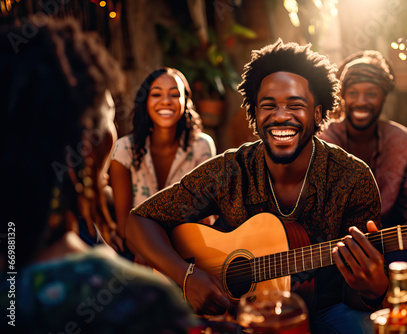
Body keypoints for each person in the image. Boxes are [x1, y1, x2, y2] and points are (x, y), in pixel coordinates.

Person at [125, 39, 388, 334]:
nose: (280, 116)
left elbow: (354, 292)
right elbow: (139, 219)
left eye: (295, 105)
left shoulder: (352, 177)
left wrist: (371, 290)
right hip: (235, 316)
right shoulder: (231, 169)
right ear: (255, 115)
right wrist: (187, 277)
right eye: (268, 106)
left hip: (321, 310)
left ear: (317, 113)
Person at [0, 17, 198, 333]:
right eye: (108, 114)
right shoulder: (140, 302)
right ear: (87, 145)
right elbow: (125, 225)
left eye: (174, 94)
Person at [318, 50, 407, 229]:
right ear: (343, 97)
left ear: (384, 97)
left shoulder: (405, 143)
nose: (361, 102)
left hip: (390, 244)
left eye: (371, 94)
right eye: (353, 93)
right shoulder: (322, 141)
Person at [110, 67, 216, 245]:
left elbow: (206, 220)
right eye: (157, 94)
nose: (166, 101)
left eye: (174, 95)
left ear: (185, 102)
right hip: (140, 250)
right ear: (145, 102)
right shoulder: (123, 150)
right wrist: (147, 255)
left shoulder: (201, 147)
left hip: (190, 249)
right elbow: (125, 226)